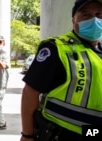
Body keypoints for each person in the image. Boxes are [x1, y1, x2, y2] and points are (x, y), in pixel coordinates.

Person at [20, 0, 102, 141]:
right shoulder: (56, 48)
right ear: (73, 20)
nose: (94, 19)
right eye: (86, 14)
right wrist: (27, 135)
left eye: (99, 14)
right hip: (63, 133)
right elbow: (30, 92)